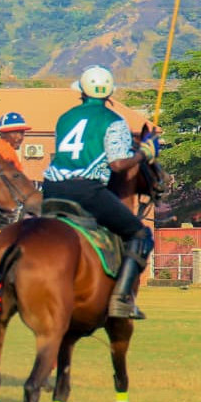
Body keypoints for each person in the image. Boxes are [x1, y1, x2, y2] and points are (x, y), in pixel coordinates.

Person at [42, 65, 158, 320]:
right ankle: (121, 300)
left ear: (81, 91)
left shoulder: (66, 117)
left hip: (50, 188)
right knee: (139, 233)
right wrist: (144, 153)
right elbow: (118, 164)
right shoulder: (113, 121)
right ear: (109, 94)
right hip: (86, 190)